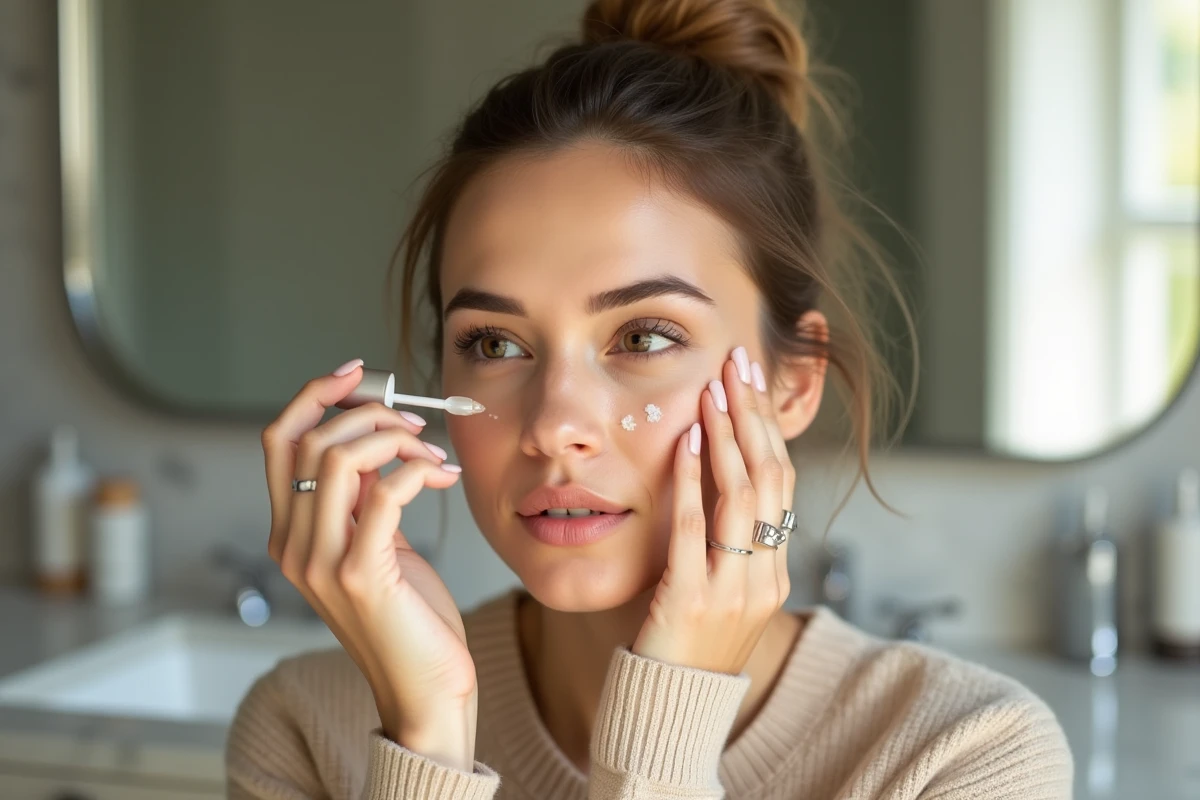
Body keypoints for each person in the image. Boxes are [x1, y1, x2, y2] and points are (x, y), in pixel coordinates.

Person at [227, 1, 1073, 797]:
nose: (556, 426)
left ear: (793, 382)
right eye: (494, 344)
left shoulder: (965, 755)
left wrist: (666, 726)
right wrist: (428, 740)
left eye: (643, 338)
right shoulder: (308, 726)